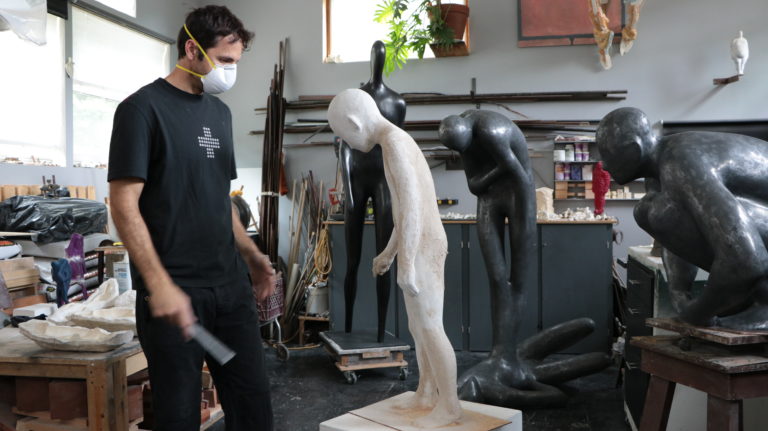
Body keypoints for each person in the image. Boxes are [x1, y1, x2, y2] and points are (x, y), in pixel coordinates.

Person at [108, 6, 275, 430]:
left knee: (253, 407)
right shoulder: (141, 109)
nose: (231, 72)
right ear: (191, 49)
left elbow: (219, 199)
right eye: (225, 61)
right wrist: (160, 286)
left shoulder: (220, 114)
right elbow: (123, 205)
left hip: (230, 289)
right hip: (173, 294)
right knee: (178, 417)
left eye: (236, 62)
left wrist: (253, 257)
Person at [328, 89, 462, 428]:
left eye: (345, 137)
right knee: (418, 328)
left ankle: (450, 406)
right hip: (416, 244)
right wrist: (389, 253)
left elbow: (414, 209)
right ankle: (426, 391)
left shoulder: (396, 145)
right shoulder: (391, 143)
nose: (348, 144)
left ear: (355, 124)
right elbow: (403, 214)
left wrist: (406, 263)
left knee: (431, 327)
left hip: (426, 247)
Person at [597, 107, 768, 331]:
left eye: (607, 156)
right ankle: (751, 297)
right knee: (653, 210)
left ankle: (762, 300)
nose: (604, 166)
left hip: (755, 251)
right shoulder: (659, 168)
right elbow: (676, 228)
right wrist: (680, 293)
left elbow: (745, 259)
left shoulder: (681, 161)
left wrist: (698, 312)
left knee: (659, 211)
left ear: (633, 149)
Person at [339, 40, 404, 342]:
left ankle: (380, 331)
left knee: (384, 259)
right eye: (374, 55)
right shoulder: (355, 97)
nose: (377, 61)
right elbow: (343, 143)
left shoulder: (397, 103)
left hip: (383, 180)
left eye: (381, 57)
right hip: (356, 179)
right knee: (351, 260)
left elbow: (396, 145)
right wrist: (347, 190)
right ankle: (348, 327)